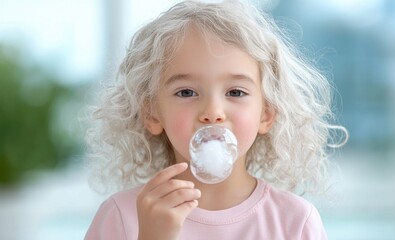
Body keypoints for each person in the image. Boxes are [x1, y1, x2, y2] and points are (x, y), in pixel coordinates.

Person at [84, 1, 347, 239]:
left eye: (235, 92)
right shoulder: (122, 216)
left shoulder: (296, 222)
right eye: (186, 92)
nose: (212, 111)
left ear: (266, 114)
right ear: (153, 113)